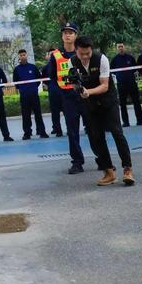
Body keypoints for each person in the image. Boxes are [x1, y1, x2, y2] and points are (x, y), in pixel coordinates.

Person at [73, 36, 135, 186]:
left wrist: (89, 92)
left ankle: (127, 169)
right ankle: (109, 171)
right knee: (96, 136)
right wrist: (78, 89)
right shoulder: (72, 62)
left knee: (117, 132)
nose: (86, 57)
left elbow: (105, 86)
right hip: (91, 103)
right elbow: (75, 83)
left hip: (108, 101)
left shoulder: (102, 59)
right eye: (82, 54)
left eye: (88, 53)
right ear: (76, 51)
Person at [45, 23, 87, 174]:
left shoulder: (83, 52)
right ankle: (77, 162)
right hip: (68, 98)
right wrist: (62, 96)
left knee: (95, 129)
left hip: (85, 96)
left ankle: (102, 159)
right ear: (62, 36)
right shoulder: (55, 56)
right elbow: (52, 78)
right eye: (65, 32)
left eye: (71, 32)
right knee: (72, 132)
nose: (68, 35)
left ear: (76, 35)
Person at [13, 49, 48, 139]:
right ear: (19, 57)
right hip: (24, 96)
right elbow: (16, 83)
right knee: (25, 115)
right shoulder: (16, 69)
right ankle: (27, 133)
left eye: (24, 55)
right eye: (21, 55)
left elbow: (38, 80)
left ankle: (42, 132)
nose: (22, 56)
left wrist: (33, 88)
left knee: (38, 114)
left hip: (34, 95)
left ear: (26, 55)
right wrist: (23, 89)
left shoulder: (33, 67)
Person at [110, 43, 142, 127]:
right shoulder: (115, 59)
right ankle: (126, 122)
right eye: (119, 47)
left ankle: (140, 120)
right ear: (117, 48)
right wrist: (120, 75)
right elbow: (112, 70)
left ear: (124, 47)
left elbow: (134, 69)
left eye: (122, 46)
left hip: (132, 83)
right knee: (122, 104)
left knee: (136, 102)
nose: (121, 48)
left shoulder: (130, 57)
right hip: (121, 85)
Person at [40, 50, 64, 137]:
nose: (52, 56)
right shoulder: (45, 68)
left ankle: (70, 129)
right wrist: (50, 86)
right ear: (47, 56)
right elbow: (44, 80)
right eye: (50, 54)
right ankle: (58, 131)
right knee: (55, 113)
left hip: (63, 91)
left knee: (67, 111)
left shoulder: (61, 64)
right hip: (53, 92)